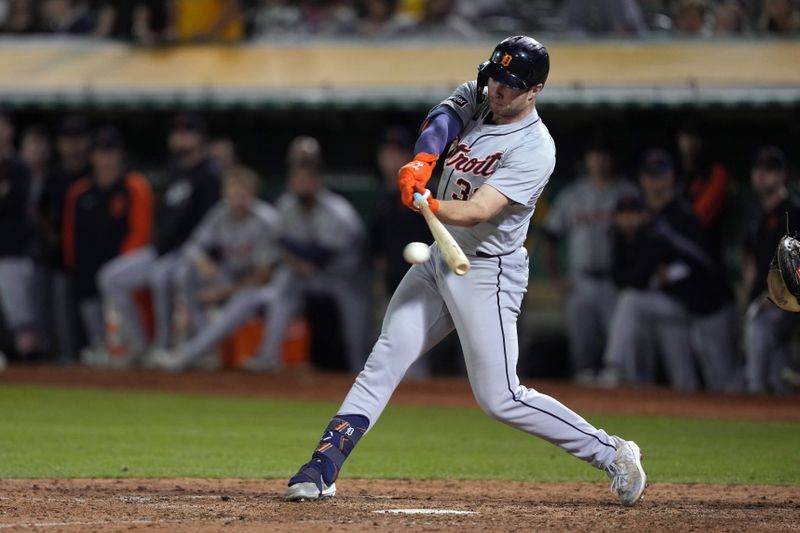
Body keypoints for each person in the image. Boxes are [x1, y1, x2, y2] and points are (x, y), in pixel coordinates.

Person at [284, 36, 646, 507]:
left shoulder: (536, 148)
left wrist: (428, 201)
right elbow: (443, 120)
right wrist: (422, 160)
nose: (497, 88)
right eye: (495, 76)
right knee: (386, 356)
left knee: (501, 398)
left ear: (534, 91)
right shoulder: (481, 94)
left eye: (511, 84)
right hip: (441, 257)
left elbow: (478, 210)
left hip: (488, 272)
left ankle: (612, 451)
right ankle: (323, 465)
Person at [98, 113, 220, 363]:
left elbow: (210, 224)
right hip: (159, 250)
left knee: (161, 276)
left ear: (200, 137)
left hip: (189, 253)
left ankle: (164, 347)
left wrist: (196, 253)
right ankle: (140, 346)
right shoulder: (173, 169)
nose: (181, 139)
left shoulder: (209, 175)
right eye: (177, 133)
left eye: (188, 133)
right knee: (111, 278)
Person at [242, 136, 369, 372]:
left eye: (306, 179)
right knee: (285, 282)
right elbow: (283, 251)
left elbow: (318, 256)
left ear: (317, 181)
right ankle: (268, 356)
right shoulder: (286, 205)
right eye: (296, 178)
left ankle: (362, 376)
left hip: (348, 279)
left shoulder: (338, 211)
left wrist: (288, 247)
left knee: (357, 347)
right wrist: (293, 259)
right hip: (309, 277)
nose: (301, 184)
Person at [602, 192, 738, 392]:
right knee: (684, 380)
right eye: (623, 213)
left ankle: (753, 409)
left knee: (722, 375)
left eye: (634, 213)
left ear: (645, 215)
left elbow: (636, 281)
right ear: (615, 217)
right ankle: (613, 368)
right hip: (678, 303)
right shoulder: (622, 237)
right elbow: (618, 277)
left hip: (713, 305)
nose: (628, 218)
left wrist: (651, 277)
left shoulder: (654, 236)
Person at [152, 165, 281, 370]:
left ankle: (185, 356)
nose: (237, 198)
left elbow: (262, 276)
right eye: (233, 192)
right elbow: (192, 245)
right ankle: (208, 352)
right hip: (231, 278)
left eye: (243, 193)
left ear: (253, 195)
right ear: (225, 194)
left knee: (241, 300)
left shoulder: (266, 220)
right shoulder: (220, 212)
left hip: (267, 288)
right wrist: (202, 260)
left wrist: (219, 293)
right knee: (186, 273)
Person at [542, 135, 636, 383]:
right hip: (580, 281)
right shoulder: (573, 194)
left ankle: (635, 405)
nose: (600, 160)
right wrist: (555, 278)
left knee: (620, 354)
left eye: (604, 155)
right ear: (587, 159)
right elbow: (550, 235)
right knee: (583, 354)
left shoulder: (627, 193)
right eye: (595, 155)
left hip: (614, 282)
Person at [62, 127, 153, 363]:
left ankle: (139, 350)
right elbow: (70, 235)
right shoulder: (79, 191)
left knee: (116, 302)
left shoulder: (134, 186)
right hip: (88, 270)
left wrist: (120, 264)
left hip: (122, 269)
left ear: (120, 154)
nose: (106, 159)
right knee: (97, 340)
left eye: (110, 153)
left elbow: (141, 233)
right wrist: (75, 267)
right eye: (101, 153)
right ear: (92, 156)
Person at [743, 146, 800, 394]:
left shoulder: (794, 211)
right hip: (764, 299)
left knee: (759, 328)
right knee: (779, 374)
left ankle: (756, 396)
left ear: (782, 175)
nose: (763, 175)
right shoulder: (757, 214)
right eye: (759, 170)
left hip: (789, 301)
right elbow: (749, 257)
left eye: (770, 170)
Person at [36, 115, 92, 362]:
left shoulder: (92, 174)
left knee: (78, 312)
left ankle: (78, 356)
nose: (73, 145)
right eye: (68, 139)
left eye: (78, 139)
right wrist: (52, 235)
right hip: (56, 255)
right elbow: (39, 210)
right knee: (54, 312)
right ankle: (58, 358)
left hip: (87, 255)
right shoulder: (55, 174)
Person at [0, 111, 39, 363]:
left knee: (20, 316)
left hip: (13, 251)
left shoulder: (19, 167)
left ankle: (30, 365)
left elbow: (13, 202)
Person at [675, 118, 731, 264]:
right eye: (685, 137)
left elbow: (700, 217)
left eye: (694, 137)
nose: (689, 142)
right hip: (674, 251)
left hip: (706, 249)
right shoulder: (674, 170)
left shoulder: (715, 171)